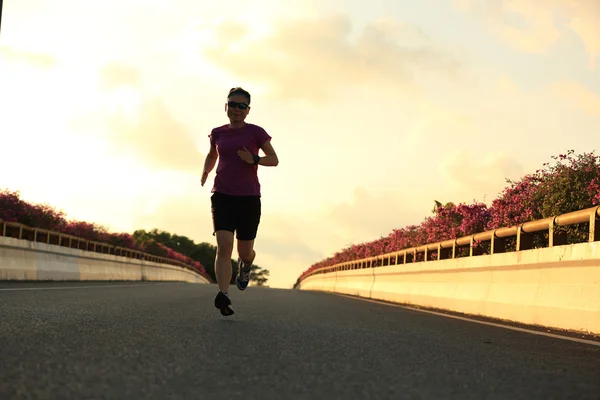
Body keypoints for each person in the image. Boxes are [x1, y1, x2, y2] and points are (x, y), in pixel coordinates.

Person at [201, 87, 279, 316]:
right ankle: (224, 294)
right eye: (232, 104)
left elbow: (274, 160)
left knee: (245, 252)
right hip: (222, 195)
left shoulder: (256, 133)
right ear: (226, 106)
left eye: (241, 106)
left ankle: (245, 267)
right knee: (224, 246)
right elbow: (212, 154)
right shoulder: (217, 133)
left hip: (248, 198)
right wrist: (206, 171)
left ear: (248, 111)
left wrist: (254, 159)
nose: (236, 109)